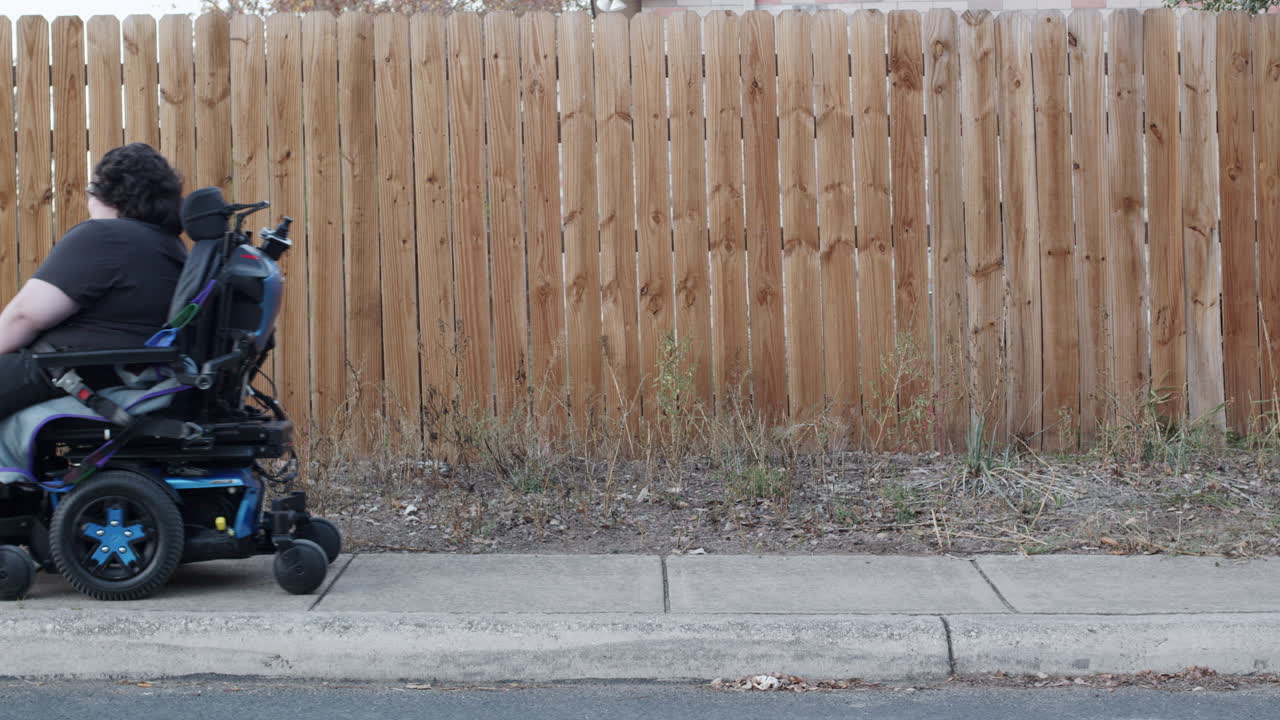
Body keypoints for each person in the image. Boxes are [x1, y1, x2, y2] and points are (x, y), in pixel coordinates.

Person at [0, 143, 187, 419]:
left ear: (104, 193)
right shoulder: (171, 247)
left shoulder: (105, 236)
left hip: (67, 371)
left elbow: (23, 316)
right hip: (113, 372)